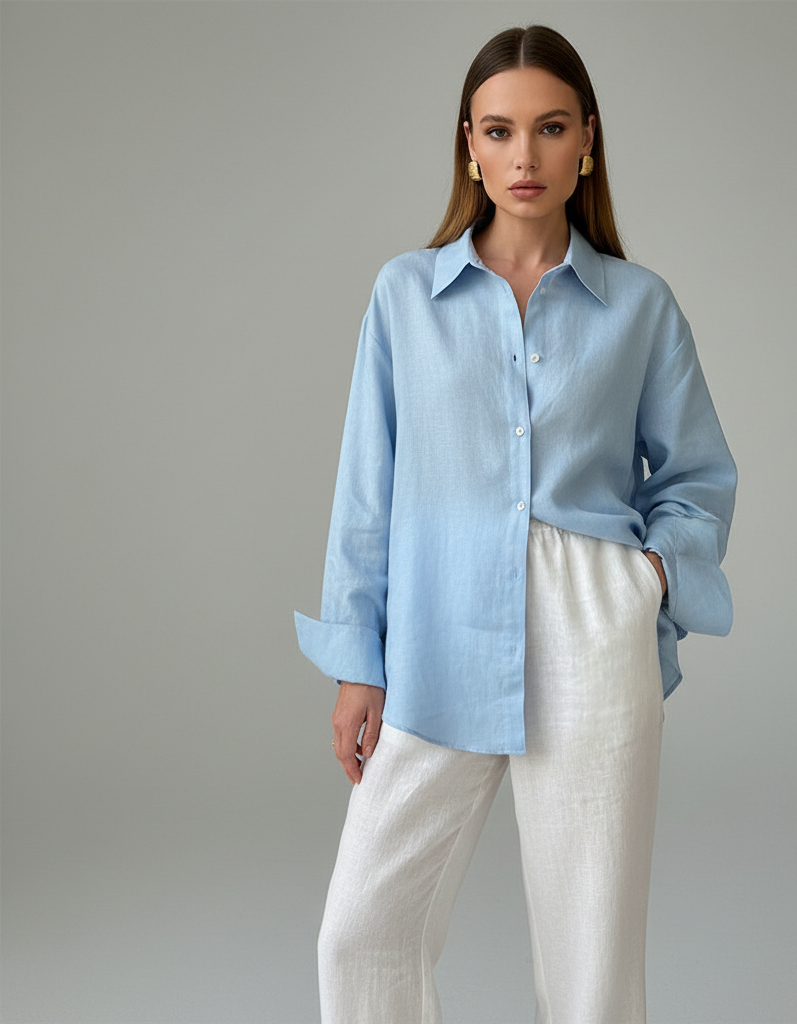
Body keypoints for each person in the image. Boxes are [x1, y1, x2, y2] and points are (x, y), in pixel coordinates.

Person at [294, 23, 737, 1024]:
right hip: (436, 628)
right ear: (469, 145)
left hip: (591, 629)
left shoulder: (640, 307)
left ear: (587, 140)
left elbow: (698, 476)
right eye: (499, 130)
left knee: (591, 959)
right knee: (361, 932)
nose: (524, 155)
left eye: (549, 128)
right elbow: (367, 490)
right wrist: (357, 660)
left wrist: (643, 584)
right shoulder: (405, 296)